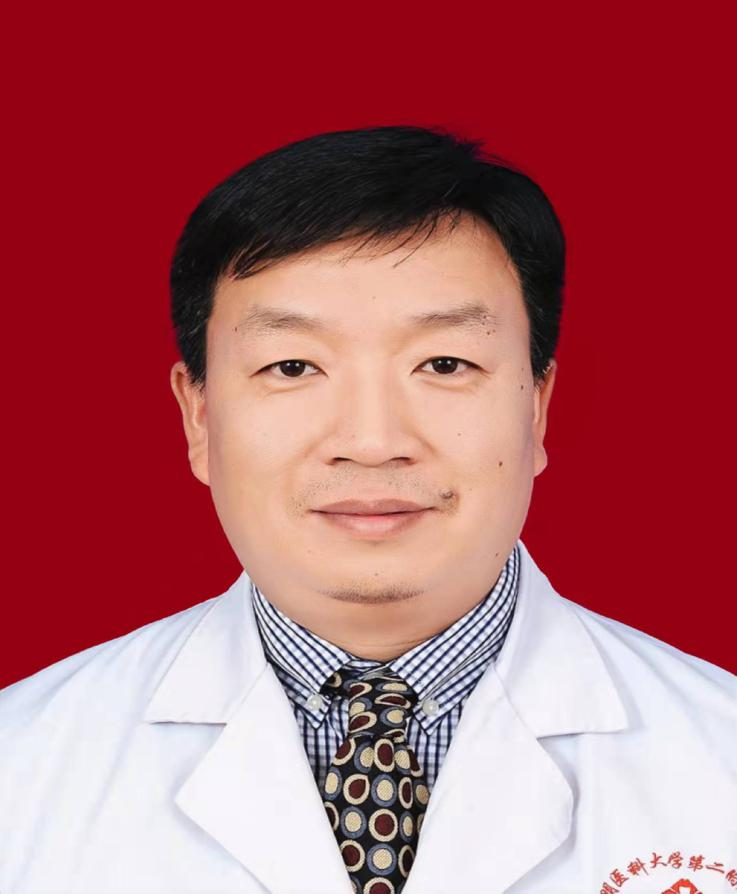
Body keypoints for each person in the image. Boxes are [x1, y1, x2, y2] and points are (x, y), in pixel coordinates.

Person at [1, 125, 735, 894]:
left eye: (443, 363)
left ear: (536, 407)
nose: (372, 442)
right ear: (200, 418)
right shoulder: (20, 767)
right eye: (292, 366)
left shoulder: (719, 756)